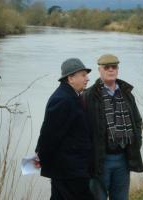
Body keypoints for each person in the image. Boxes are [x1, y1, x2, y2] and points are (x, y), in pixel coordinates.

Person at [83, 54, 143, 200]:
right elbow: (82, 129)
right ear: (100, 70)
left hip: (123, 158)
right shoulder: (89, 95)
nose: (111, 70)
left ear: (117, 69)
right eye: (106, 67)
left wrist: (137, 143)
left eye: (114, 67)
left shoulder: (126, 93)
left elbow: (137, 121)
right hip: (100, 160)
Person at [35, 58, 94, 200]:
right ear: (71, 78)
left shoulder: (72, 96)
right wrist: (40, 157)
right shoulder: (63, 100)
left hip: (70, 169)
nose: (87, 78)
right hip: (68, 171)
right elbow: (49, 135)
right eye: (83, 75)